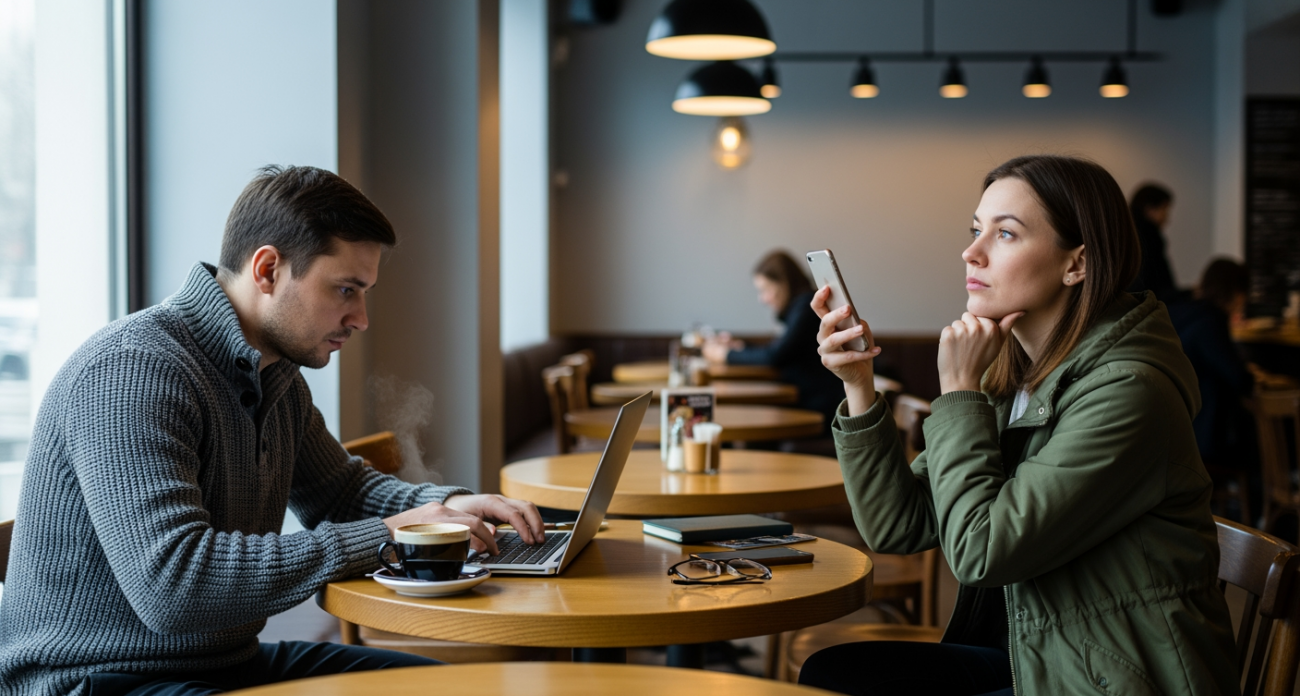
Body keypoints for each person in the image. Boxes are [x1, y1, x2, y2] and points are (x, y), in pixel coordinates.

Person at [0, 166, 546, 696]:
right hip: (96, 679)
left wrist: (450, 508)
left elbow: (341, 492)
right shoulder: (131, 371)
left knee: (452, 690)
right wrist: (391, 535)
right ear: (267, 271)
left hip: (223, 665)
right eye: (345, 290)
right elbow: (174, 588)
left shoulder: (275, 374)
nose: (361, 318)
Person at [800, 155, 1238, 696]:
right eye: (976, 229)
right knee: (831, 675)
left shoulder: (1130, 391)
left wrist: (960, 391)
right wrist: (859, 384)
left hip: (1117, 675)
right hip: (1040, 654)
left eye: (1004, 234)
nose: (971, 252)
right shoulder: (1014, 375)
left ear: (1076, 264)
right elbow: (899, 525)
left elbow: (982, 553)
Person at [702, 250, 846, 431]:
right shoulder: (799, 307)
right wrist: (741, 347)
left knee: (745, 417)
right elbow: (783, 350)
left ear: (784, 284)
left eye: (766, 290)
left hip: (817, 404)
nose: (762, 299)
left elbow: (775, 357)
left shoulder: (806, 306)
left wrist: (726, 354)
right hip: (806, 398)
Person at [1167, 258, 1258, 519]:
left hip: (1176, 433)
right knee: (1259, 440)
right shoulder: (1210, 320)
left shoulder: (1180, 312)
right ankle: (1258, 523)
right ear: (1237, 294)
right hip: (1204, 439)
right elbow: (1239, 379)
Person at [1128, 182, 1180, 301]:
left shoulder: (1126, 232)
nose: (1167, 217)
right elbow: (1158, 282)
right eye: (1164, 209)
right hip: (1148, 303)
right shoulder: (1149, 236)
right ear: (1149, 209)